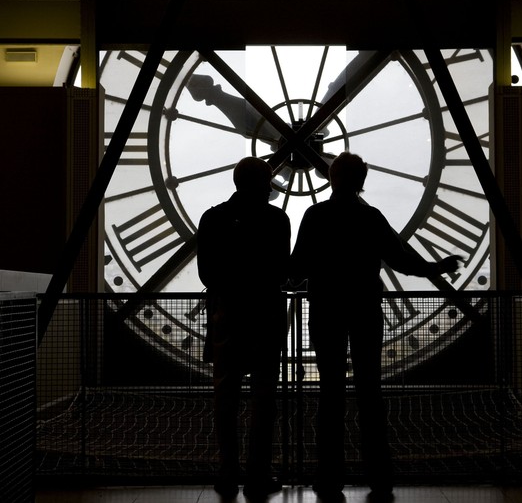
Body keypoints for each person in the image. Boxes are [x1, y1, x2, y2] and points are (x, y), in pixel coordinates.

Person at [290, 152, 462, 502]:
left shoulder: (315, 216)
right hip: (364, 310)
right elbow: (403, 260)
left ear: (331, 178)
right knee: (370, 392)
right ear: (361, 182)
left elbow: (297, 267)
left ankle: (329, 476)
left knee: (330, 393)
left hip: (326, 310)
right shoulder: (370, 218)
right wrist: (437, 268)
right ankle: (379, 476)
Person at [197, 156, 291, 499]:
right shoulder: (276, 220)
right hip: (264, 318)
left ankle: (228, 471)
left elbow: (208, 274)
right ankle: (258, 473)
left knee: (226, 398)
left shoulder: (213, 219)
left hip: (227, 318)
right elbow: (281, 273)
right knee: (263, 400)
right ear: (263, 184)